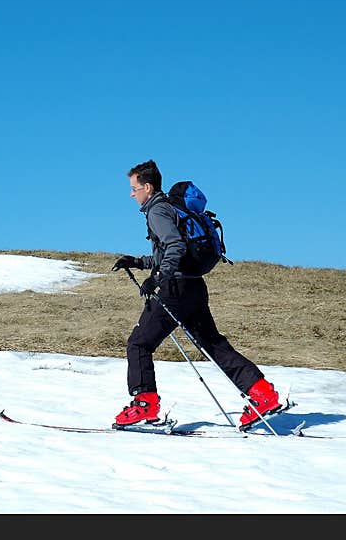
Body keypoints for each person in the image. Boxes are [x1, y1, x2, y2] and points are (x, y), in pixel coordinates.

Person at [111, 159, 281, 430]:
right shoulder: (170, 209)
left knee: (139, 344)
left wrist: (157, 278)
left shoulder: (157, 211)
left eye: (134, 188)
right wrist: (137, 261)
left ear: (147, 186)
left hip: (175, 289)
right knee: (213, 344)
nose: (131, 194)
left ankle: (144, 405)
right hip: (194, 287)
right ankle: (263, 394)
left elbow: (175, 247)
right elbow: (170, 251)